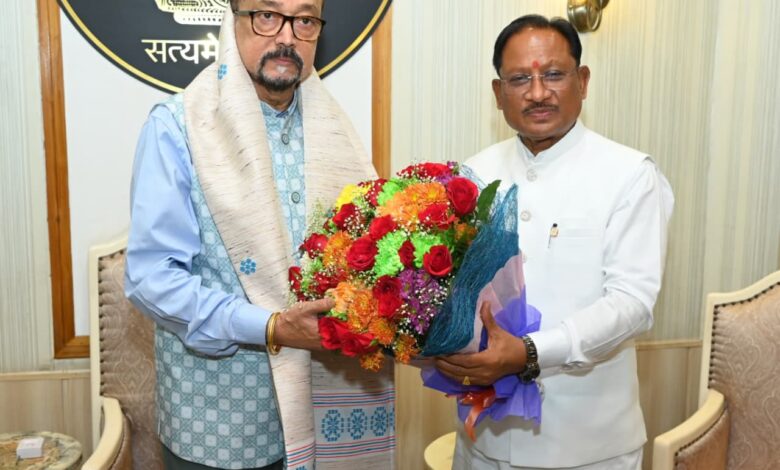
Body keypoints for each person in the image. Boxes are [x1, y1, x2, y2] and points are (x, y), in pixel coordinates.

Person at [125, 1, 394, 469]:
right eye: (267, 15)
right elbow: (152, 279)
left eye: (304, 20)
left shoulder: (336, 135)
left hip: (324, 408)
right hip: (217, 430)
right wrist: (271, 327)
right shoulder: (178, 127)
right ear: (235, 19)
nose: (286, 37)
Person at [435, 14, 674, 470]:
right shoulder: (472, 175)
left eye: (554, 75)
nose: (538, 92)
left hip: (586, 448)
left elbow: (632, 303)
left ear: (582, 81)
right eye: (520, 79)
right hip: (482, 440)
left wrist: (529, 353)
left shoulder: (629, 174)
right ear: (498, 93)